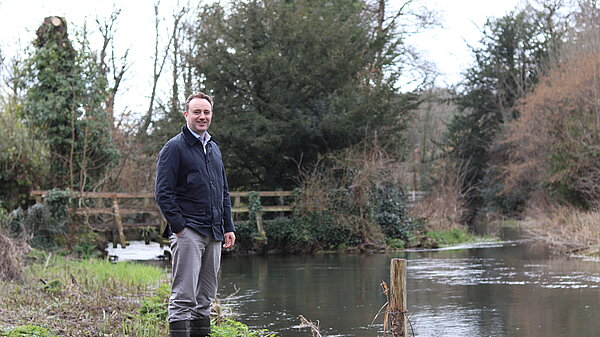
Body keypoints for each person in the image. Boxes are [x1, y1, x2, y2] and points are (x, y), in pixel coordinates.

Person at [155, 92, 236, 337]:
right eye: (197, 112)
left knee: (205, 298)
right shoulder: (174, 148)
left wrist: (228, 226)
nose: (202, 117)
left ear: (211, 115)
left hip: (214, 232)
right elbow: (163, 193)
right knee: (184, 297)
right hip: (188, 231)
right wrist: (180, 227)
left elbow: (222, 191)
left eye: (206, 112)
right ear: (186, 114)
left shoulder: (214, 149)